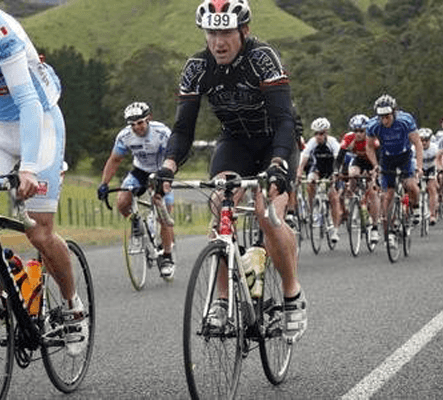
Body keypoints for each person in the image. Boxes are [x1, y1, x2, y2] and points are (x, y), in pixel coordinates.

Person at [157, 0, 306, 343]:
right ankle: (222, 302)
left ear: (244, 31)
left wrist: (278, 164)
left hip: (275, 142)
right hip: (235, 142)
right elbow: (182, 129)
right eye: (211, 33)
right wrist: (168, 165)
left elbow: (284, 120)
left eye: (225, 32)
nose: (218, 42)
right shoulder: (197, 67)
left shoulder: (262, 58)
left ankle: (292, 294)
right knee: (219, 205)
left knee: (267, 215)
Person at [0, 5, 87, 356]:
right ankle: (7, 284)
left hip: (38, 123)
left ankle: (73, 308)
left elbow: (28, 102)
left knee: (39, 232)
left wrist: (27, 168)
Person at [97, 102, 176, 278]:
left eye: (140, 123)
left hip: (162, 171)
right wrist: (104, 184)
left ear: (149, 119)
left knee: (165, 215)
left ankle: (167, 256)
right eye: (132, 124)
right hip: (140, 171)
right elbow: (115, 160)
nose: (136, 127)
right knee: (122, 202)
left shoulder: (162, 133)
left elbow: (173, 157)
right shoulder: (125, 136)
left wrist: (164, 180)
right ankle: (136, 223)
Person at [365, 94, 423, 247]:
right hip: (387, 158)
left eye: (387, 116)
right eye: (381, 117)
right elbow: (369, 147)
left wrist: (419, 167)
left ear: (394, 112)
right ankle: (389, 232)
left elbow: (417, 143)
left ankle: (416, 207)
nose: (385, 121)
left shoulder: (405, 120)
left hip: (405, 156)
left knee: (410, 185)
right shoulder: (373, 125)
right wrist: (375, 165)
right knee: (387, 195)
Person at [296, 117, 343, 243]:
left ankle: (335, 230)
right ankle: (312, 208)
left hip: (331, 170)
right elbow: (304, 160)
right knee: (310, 182)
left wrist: (336, 174)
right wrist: (299, 174)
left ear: (326, 133)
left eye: (321, 134)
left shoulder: (333, 143)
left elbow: (338, 161)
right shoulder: (312, 142)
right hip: (317, 169)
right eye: (316, 133)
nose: (318, 136)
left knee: (333, 197)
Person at [335, 114, 381, 242]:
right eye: (356, 131)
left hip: (373, 161)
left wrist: (376, 170)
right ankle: (353, 196)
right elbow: (339, 158)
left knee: (373, 192)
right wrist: (336, 171)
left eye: (361, 131)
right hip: (359, 161)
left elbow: (380, 156)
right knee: (353, 173)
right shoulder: (348, 138)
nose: (358, 134)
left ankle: (375, 228)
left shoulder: (372, 137)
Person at [418, 127, 440, 225]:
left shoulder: (435, 148)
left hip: (431, 168)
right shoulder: (414, 149)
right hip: (419, 168)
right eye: (421, 140)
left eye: (426, 140)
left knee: (432, 188)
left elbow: (439, 160)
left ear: (430, 140)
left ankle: (432, 214)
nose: (424, 143)